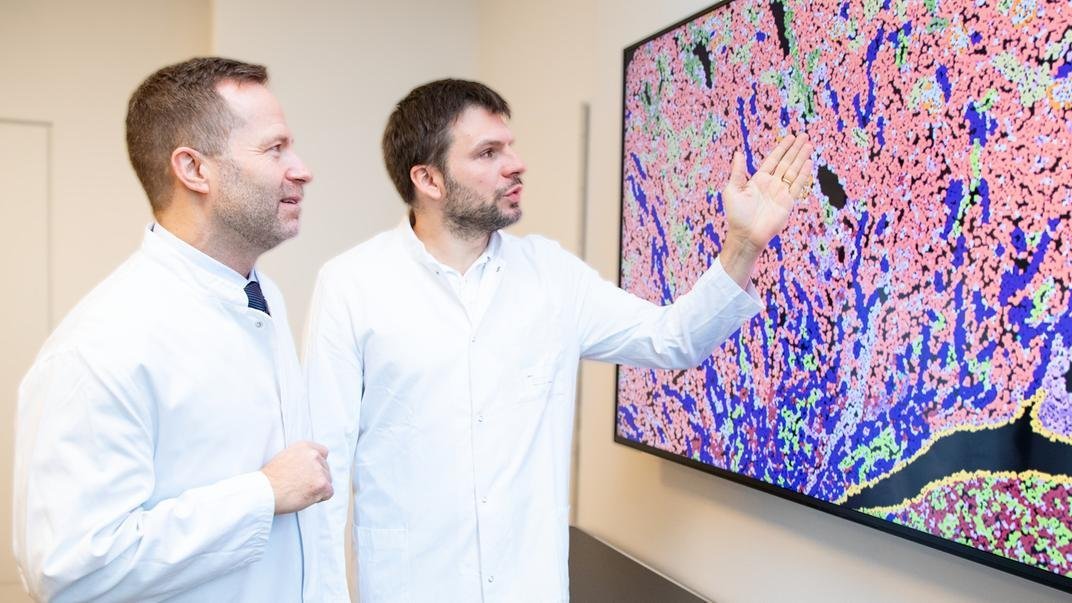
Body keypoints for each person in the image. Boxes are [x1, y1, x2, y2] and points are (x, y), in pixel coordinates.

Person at [304, 78, 813, 601]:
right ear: (428, 179)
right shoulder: (352, 285)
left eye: (510, 146)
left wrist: (743, 244)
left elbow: (672, 339)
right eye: (488, 152)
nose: (516, 163)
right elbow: (323, 471)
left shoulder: (551, 276)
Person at [12, 57, 333, 602]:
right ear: (194, 169)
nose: (302, 169)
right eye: (274, 149)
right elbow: (71, 570)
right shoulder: (99, 347)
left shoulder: (261, 296)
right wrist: (262, 495)